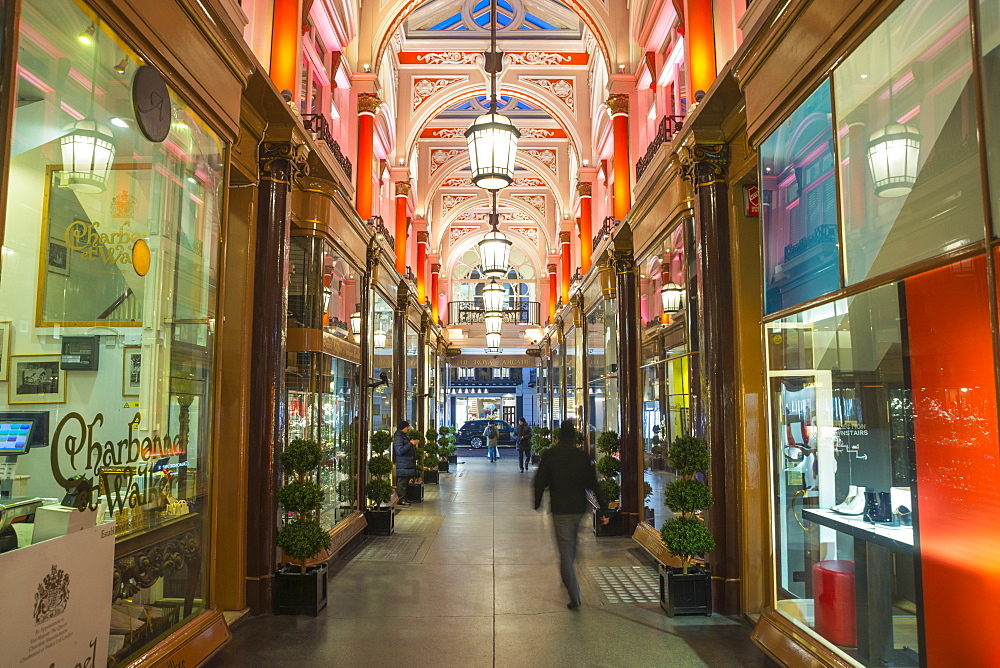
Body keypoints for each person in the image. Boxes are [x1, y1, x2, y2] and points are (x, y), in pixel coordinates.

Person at [533, 419, 609, 610]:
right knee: (572, 544)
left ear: (559, 435)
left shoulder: (550, 455)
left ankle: (574, 594)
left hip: (561, 509)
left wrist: (537, 502)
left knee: (565, 551)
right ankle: (570, 575)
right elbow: (594, 484)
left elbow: (539, 480)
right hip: (579, 508)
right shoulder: (581, 456)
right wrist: (604, 509)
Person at [394, 420, 417, 506]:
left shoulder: (403, 436)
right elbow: (399, 450)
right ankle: (401, 499)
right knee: (402, 482)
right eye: (407, 427)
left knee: (405, 482)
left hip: (406, 464)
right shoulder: (398, 437)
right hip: (403, 464)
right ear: (403, 427)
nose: (409, 428)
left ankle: (404, 497)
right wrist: (410, 444)